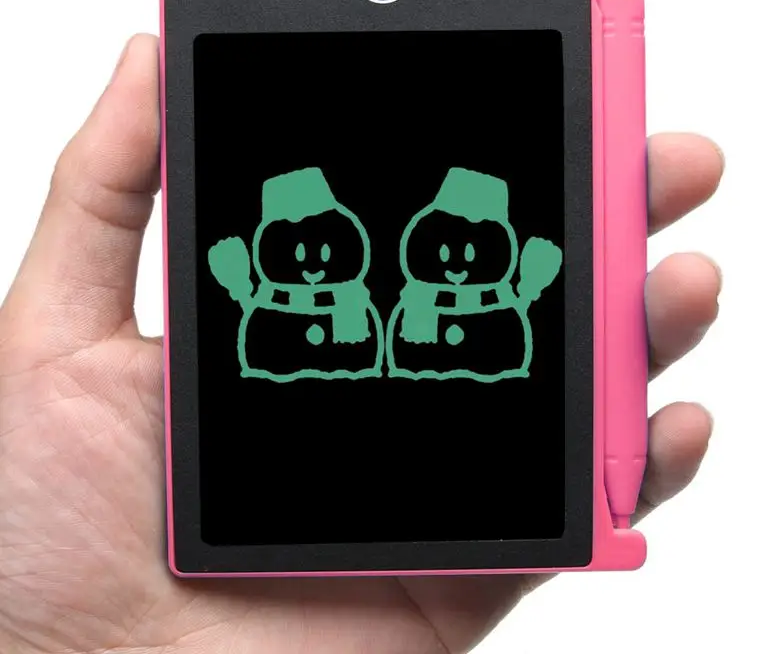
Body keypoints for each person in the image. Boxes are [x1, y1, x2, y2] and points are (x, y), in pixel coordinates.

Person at [0, 35, 723, 654]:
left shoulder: (395, 299)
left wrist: (525, 287)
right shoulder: (358, 298)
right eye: (295, 246)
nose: (314, 263)